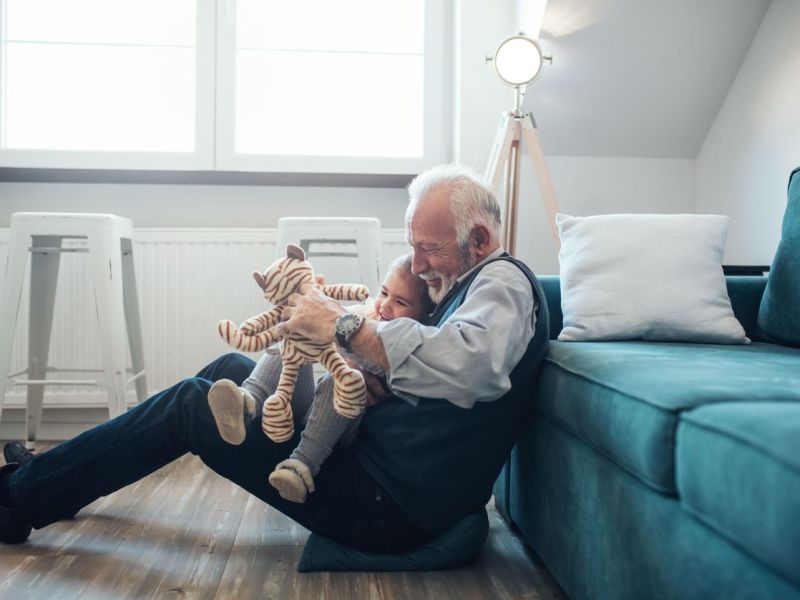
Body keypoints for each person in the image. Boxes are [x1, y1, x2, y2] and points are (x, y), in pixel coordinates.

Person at [0, 164, 549, 555]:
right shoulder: (468, 282)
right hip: (369, 457)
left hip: (386, 502)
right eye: (413, 245)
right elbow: (431, 363)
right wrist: (368, 365)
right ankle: (56, 476)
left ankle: (19, 498)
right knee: (225, 373)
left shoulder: (503, 281)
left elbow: (473, 363)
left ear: (479, 239)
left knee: (194, 407)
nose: (417, 261)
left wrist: (342, 326)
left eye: (428, 248)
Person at [207, 253, 435, 504]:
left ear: (421, 317)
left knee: (338, 381)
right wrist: (315, 302)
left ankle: (300, 466)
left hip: (340, 429)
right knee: (295, 334)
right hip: (311, 412)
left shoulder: (405, 347)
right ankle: (247, 402)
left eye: (400, 302)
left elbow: (377, 366)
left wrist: (352, 358)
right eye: (384, 292)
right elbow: (330, 319)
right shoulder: (367, 314)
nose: (384, 306)